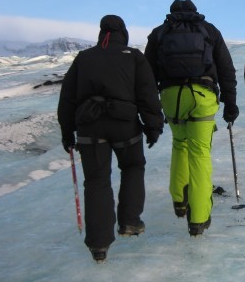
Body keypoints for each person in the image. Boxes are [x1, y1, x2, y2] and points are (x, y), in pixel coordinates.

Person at [57, 15, 164, 263]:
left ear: (101, 33)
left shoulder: (83, 58)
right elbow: (147, 93)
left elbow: (67, 98)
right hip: (125, 126)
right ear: (123, 32)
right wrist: (153, 126)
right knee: (133, 167)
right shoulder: (134, 57)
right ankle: (130, 222)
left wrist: (67, 131)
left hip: (90, 129)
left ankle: (99, 245)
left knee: (96, 182)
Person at [144, 0, 239, 236]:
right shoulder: (209, 30)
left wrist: (151, 108)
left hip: (170, 96)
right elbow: (226, 69)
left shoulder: (159, 33)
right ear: (195, 12)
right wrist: (231, 104)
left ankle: (179, 199)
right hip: (202, 95)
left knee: (179, 144)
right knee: (200, 154)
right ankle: (198, 218)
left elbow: (146, 75)